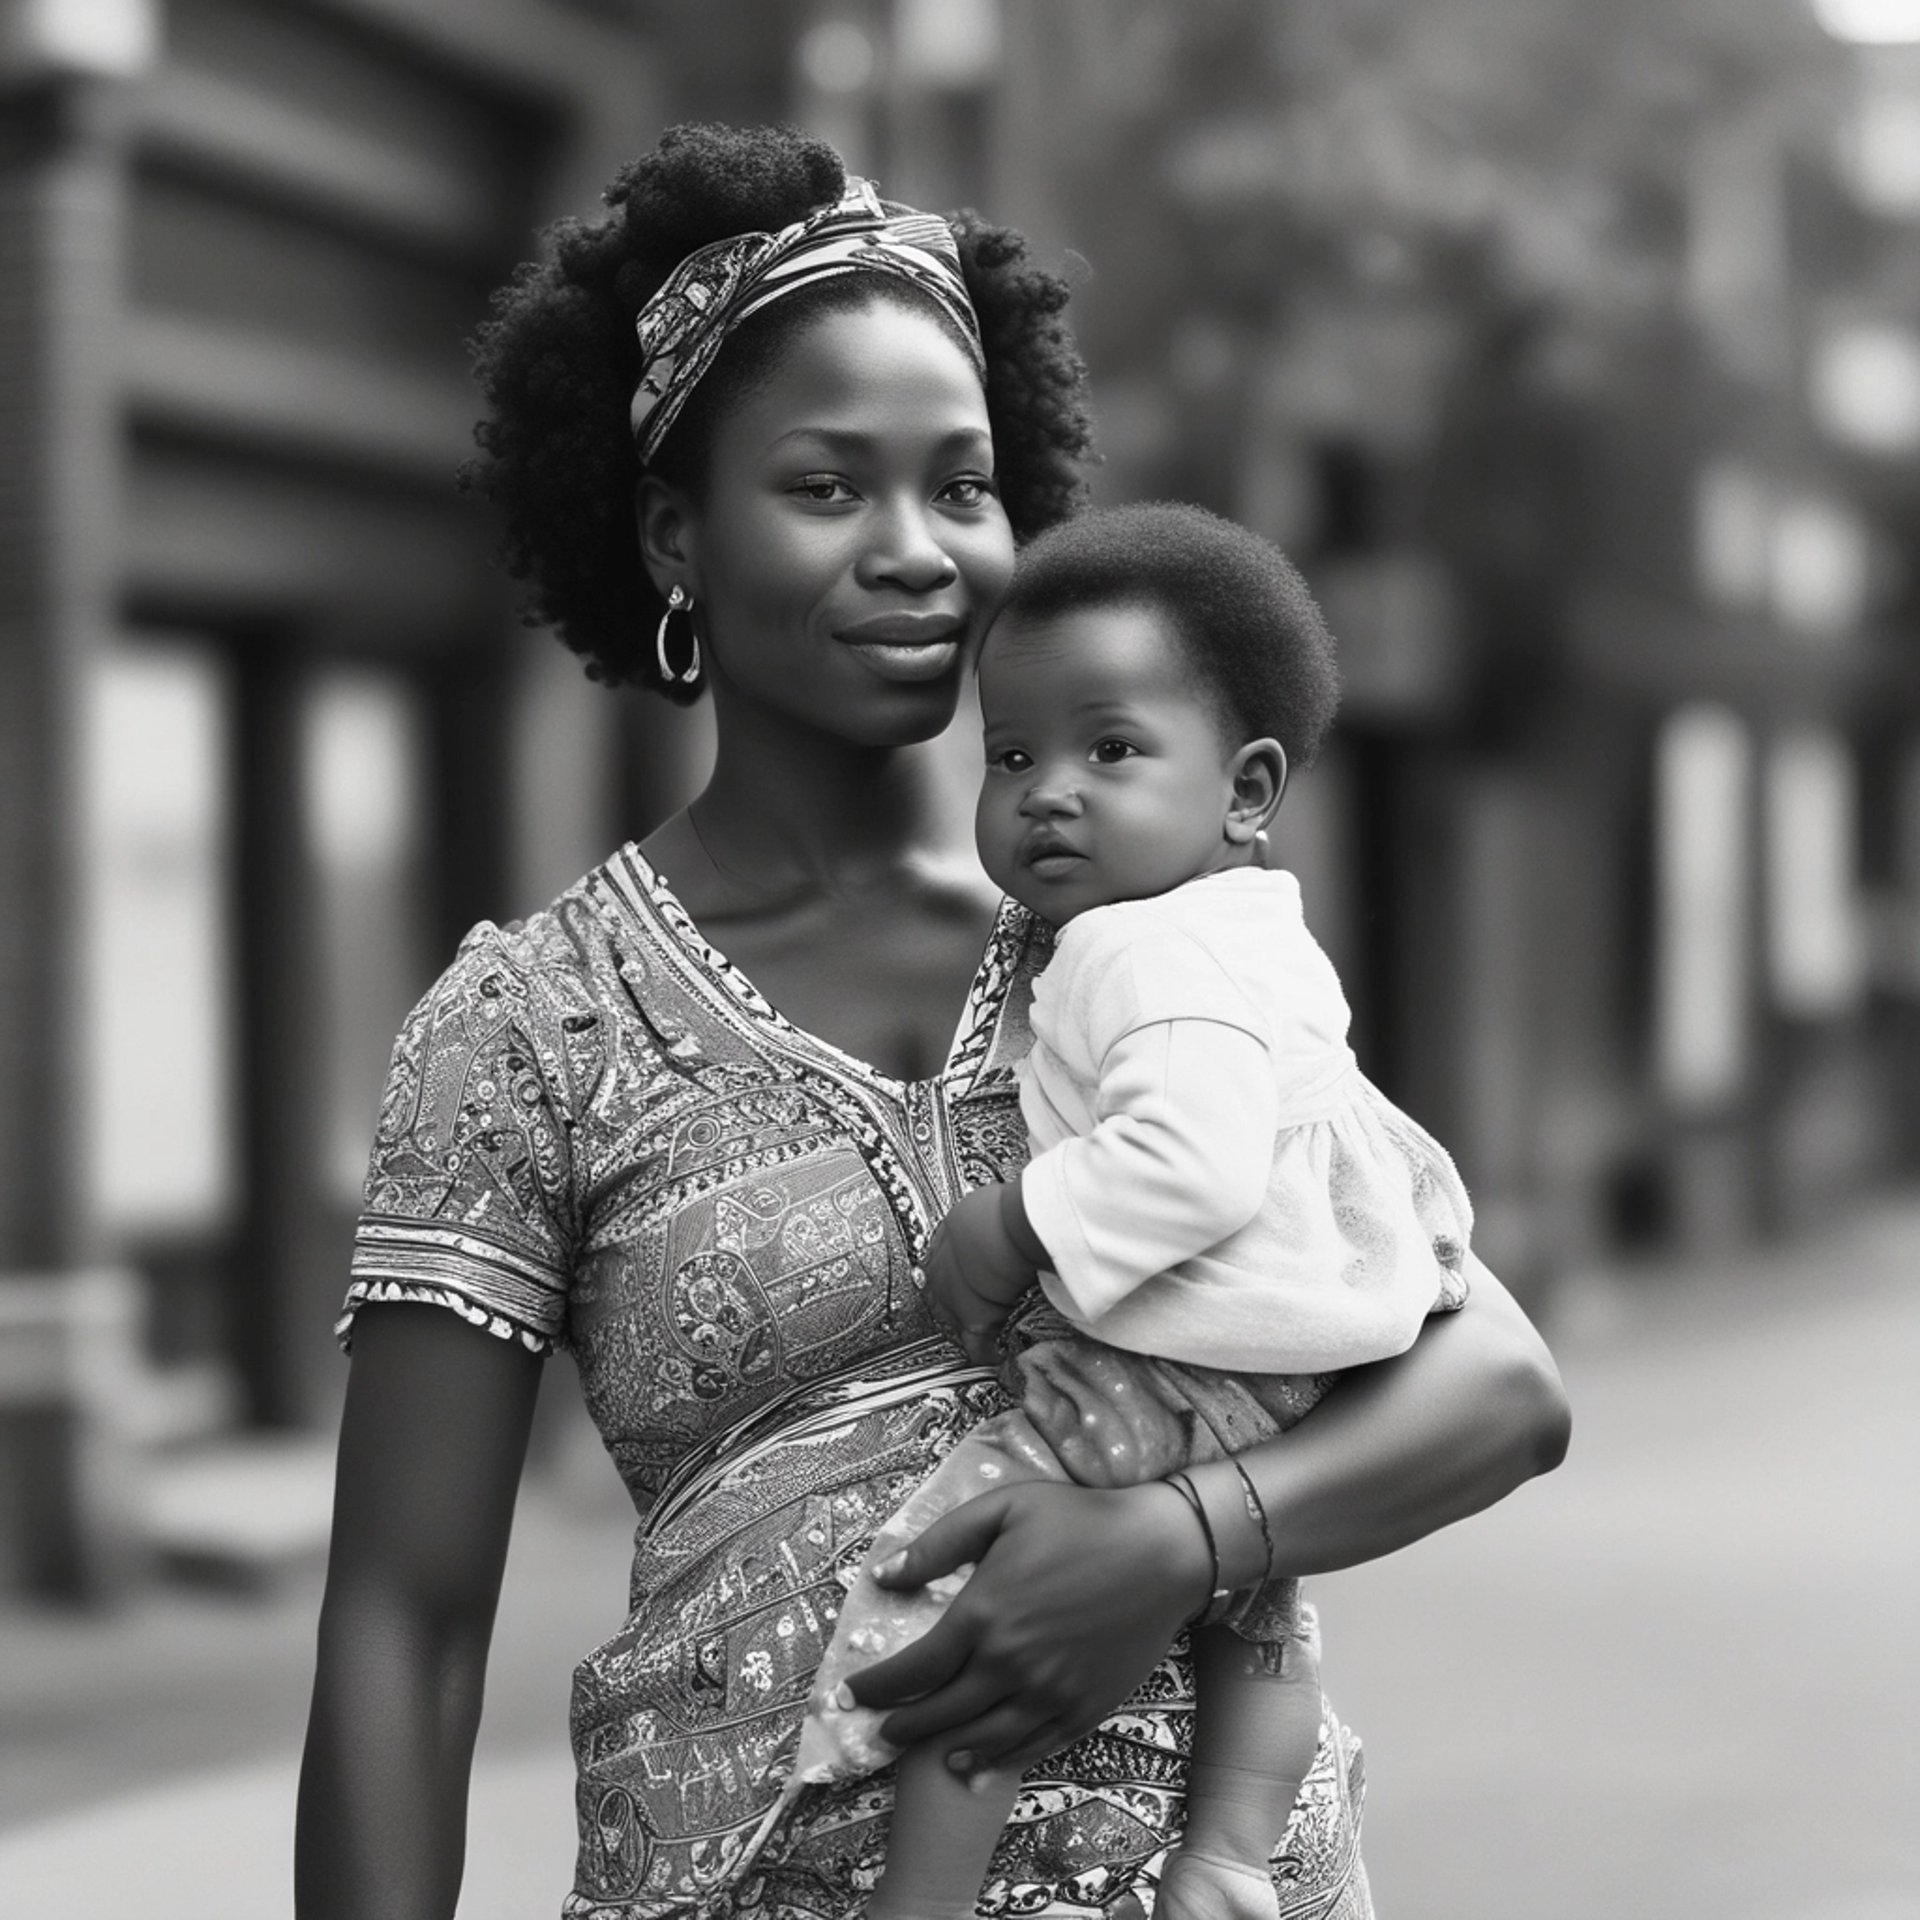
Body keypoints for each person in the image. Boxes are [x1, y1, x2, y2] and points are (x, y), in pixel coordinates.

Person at [294, 124, 1571, 1920]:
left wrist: (1172, 1545)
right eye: (829, 488)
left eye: (963, 488)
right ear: (675, 531)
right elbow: (405, 1634)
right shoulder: (528, 1029)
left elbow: (1498, 1384)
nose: (920, 552)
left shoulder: (1155, 939)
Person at [785, 502, 1479, 1920]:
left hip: (1188, 1358)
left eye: (1112, 751)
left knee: (954, 1609)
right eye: (1014, 756)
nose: (1050, 793)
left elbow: (1193, 1162)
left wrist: (1010, 1224)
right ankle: (1227, 1852)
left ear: (1245, 788)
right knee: (1263, 1616)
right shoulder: (1253, 928)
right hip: (1314, 1346)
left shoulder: (1129, 949)